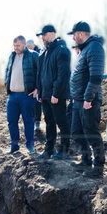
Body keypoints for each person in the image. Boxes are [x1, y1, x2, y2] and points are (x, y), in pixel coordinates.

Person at [68, 21, 106, 178]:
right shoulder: (85, 49)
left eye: (74, 35)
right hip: (77, 100)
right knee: (76, 132)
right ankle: (85, 160)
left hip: (88, 101)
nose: (73, 38)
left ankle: (98, 167)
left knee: (91, 133)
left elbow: (95, 76)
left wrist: (88, 98)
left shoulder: (94, 48)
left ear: (81, 33)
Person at [35, 24, 71, 160]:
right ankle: (48, 150)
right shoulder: (43, 53)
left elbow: (63, 75)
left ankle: (64, 151)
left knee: (62, 123)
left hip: (56, 96)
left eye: (44, 35)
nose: (42, 38)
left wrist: (55, 94)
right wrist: (40, 92)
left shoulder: (62, 50)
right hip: (45, 95)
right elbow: (40, 74)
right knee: (49, 123)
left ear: (52, 34)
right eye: (41, 36)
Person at [4, 35, 39, 154]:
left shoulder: (33, 55)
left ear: (24, 44)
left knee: (28, 121)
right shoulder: (12, 55)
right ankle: (14, 146)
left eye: (18, 45)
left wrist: (38, 88)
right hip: (12, 96)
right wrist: (6, 86)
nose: (15, 48)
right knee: (11, 121)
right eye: (14, 46)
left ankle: (30, 145)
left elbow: (40, 73)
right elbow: (7, 72)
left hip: (27, 95)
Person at [27, 39, 43, 130]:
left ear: (33, 45)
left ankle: (37, 122)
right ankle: (31, 121)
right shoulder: (26, 54)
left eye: (30, 47)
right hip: (30, 81)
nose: (29, 49)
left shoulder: (39, 53)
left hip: (38, 81)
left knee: (37, 103)